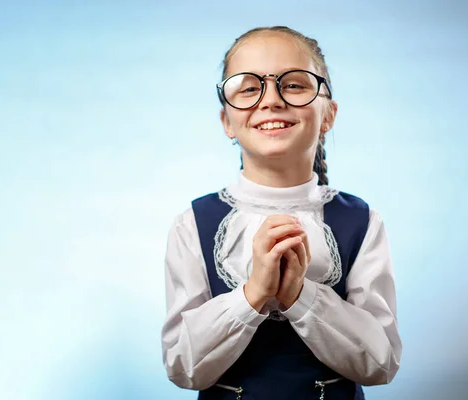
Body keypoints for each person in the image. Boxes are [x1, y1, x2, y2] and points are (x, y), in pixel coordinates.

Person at [161, 26, 402, 400]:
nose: (271, 99)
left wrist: (300, 296)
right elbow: (182, 367)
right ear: (227, 121)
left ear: (328, 115)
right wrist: (253, 293)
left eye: (293, 85)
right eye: (249, 87)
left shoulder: (362, 222)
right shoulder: (192, 224)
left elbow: (381, 363)